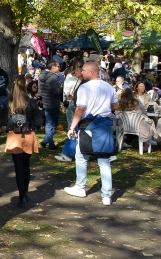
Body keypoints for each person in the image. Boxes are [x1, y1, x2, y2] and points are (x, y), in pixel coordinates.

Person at [64, 61, 119, 206]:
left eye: (83, 70)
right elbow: (115, 106)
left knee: (81, 156)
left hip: (89, 124)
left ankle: (80, 187)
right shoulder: (109, 87)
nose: (81, 72)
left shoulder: (85, 88)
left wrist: (72, 127)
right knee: (104, 161)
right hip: (105, 124)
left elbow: (80, 109)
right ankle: (106, 196)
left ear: (92, 72)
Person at [6, 76, 42, 208]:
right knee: (26, 165)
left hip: (14, 135)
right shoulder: (31, 101)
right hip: (28, 134)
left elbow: (1, 119)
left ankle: (21, 196)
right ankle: (25, 192)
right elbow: (38, 119)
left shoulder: (9, 102)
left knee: (18, 167)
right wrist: (36, 127)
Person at [38, 61, 62, 150]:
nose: (59, 68)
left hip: (45, 102)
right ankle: (46, 141)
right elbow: (57, 91)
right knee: (53, 123)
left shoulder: (41, 76)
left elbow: (39, 90)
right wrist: (60, 88)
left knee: (49, 123)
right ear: (53, 67)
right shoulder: (54, 78)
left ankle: (49, 143)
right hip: (53, 102)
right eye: (58, 66)